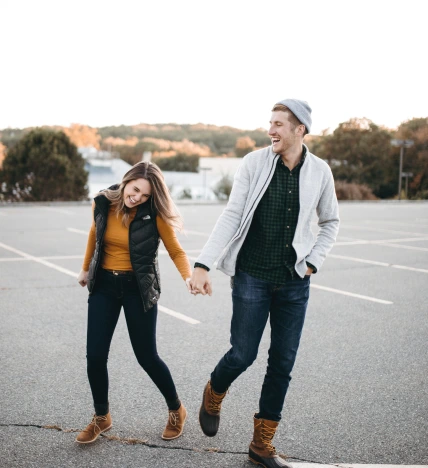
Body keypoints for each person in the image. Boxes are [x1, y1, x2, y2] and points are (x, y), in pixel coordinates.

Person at [190, 99, 340, 467]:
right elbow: (232, 215)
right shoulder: (254, 163)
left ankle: (261, 445)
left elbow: (331, 222)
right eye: (270, 123)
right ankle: (214, 391)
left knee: (282, 364)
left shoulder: (320, 172)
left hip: (293, 282)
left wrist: (313, 263)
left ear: (299, 129)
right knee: (243, 354)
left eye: (278, 124)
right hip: (252, 276)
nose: (270, 130)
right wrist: (202, 264)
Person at [75, 161, 191, 444]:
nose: (137, 197)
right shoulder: (102, 202)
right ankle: (102, 417)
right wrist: (85, 268)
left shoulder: (153, 213)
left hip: (137, 288)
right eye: (135, 189)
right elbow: (94, 233)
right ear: (126, 181)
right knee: (95, 357)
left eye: (145, 195)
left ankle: (177, 410)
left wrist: (189, 277)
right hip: (103, 284)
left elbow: (176, 250)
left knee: (146, 356)